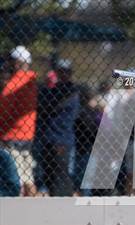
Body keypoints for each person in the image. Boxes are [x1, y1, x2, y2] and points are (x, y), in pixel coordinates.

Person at [34, 59, 80, 196]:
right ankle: (56, 199)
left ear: (70, 73)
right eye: (60, 71)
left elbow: (49, 107)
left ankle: (64, 203)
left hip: (61, 138)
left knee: (60, 174)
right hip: (48, 138)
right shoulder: (53, 90)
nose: (62, 74)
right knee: (49, 175)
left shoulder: (71, 91)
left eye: (66, 71)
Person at [0, 45, 38, 196]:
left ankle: (19, 213)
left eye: (11, 61)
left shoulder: (15, 83)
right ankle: (35, 209)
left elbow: (4, 109)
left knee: (16, 180)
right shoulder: (31, 80)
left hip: (11, 134)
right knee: (27, 177)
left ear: (16, 62)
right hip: (27, 134)